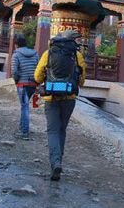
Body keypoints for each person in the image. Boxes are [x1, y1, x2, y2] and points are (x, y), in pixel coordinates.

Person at [34, 30, 85, 181]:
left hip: (51, 97)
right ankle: (59, 162)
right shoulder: (77, 55)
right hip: (69, 98)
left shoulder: (48, 53)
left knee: (52, 131)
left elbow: (37, 76)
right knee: (62, 130)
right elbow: (82, 80)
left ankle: (55, 163)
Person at [10, 34, 38, 140]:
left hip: (22, 84)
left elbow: (14, 71)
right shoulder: (35, 54)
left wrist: (16, 80)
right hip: (33, 84)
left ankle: (24, 131)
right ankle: (22, 128)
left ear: (16, 45)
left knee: (24, 107)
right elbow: (39, 68)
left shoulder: (16, 55)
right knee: (24, 106)